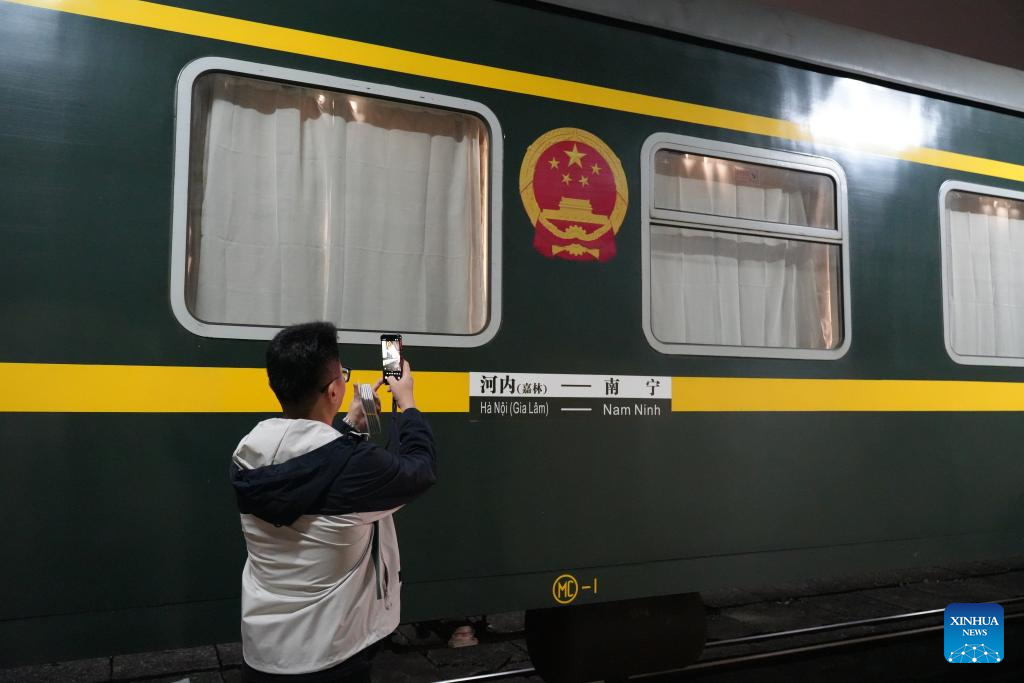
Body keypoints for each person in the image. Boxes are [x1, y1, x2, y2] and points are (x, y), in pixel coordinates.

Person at [230, 321, 436, 682]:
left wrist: (347, 427)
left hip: (263, 653)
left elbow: (308, 466)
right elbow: (420, 469)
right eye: (342, 373)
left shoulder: (249, 454)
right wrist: (407, 403)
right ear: (334, 390)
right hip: (331, 657)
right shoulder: (355, 467)